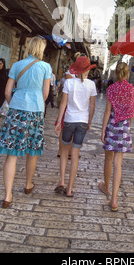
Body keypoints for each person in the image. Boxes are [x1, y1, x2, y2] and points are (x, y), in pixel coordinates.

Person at [0, 37, 51, 208]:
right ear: (41, 49)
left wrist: (13, 103)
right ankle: (27, 185)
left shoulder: (17, 65)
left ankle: (8, 196)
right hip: (35, 111)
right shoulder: (46, 67)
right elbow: (45, 94)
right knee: (32, 150)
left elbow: (7, 91)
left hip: (17, 109)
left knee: (12, 153)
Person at [54, 56, 97, 197]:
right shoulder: (91, 85)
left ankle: (61, 180)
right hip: (82, 121)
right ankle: (70, 188)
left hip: (69, 120)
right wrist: (89, 121)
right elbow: (92, 106)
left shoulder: (69, 83)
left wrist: (59, 121)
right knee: (76, 155)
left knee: (64, 151)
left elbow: (63, 104)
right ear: (87, 70)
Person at [99, 62, 134, 212]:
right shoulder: (132, 89)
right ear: (128, 74)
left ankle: (106, 187)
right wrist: (128, 126)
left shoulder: (111, 88)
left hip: (112, 126)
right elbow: (132, 112)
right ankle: (114, 200)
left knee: (108, 158)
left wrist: (103, 130)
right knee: (118, 163)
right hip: (124, 127)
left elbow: (107, 111)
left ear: (115, 73)